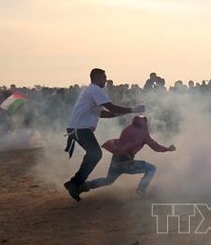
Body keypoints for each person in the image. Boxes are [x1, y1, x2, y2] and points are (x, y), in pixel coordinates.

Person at [64, 68, 146, 202]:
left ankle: (74, 183)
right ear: (96, 78)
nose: (106, 80)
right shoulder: (94, 90)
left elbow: (104, 114)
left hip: (79, 128)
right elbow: (111, 108)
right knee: (95, 154)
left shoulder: (93, 91)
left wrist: (128, 112)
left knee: (95, 154)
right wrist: (133, 109)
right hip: (79, 128)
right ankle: (74, 183)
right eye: (104, 77)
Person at [83, 115, 176, 197]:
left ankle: (84, 186)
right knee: (151, 168)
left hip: (115, 160)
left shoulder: (127, 128)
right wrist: (168, 149)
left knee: (108, 180)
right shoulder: (143, 133)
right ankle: (141, 190)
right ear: (144, 123)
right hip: (127, 162)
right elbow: (156, 147)